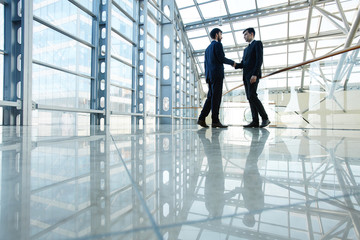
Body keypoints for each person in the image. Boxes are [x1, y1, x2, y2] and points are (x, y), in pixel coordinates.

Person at [197, 28, 236, 128]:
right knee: (216, 98)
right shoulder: (218, 45)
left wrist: (207, 77)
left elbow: (205, 64)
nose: (221, 37)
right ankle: (215, 121)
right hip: (217, 75)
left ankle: (201, 118)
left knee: (210, 97)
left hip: (210, 76)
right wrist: (233, 63)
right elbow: (221, 58)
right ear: (217, 34)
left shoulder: (207, 49)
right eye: (221, 34)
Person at [235, 28, 270, 128]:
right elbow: (243, 64)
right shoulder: (245, 50)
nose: (244, 37)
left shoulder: (257, 44)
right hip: (246, 77)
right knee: (250, 97)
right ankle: (255, 121)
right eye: (244, 35)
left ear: (252, 34)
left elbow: (259, 59)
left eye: (246, 34)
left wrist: (255, 74)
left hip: (253, 75)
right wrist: (235, 65)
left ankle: (265, 118)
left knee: (252, 95)